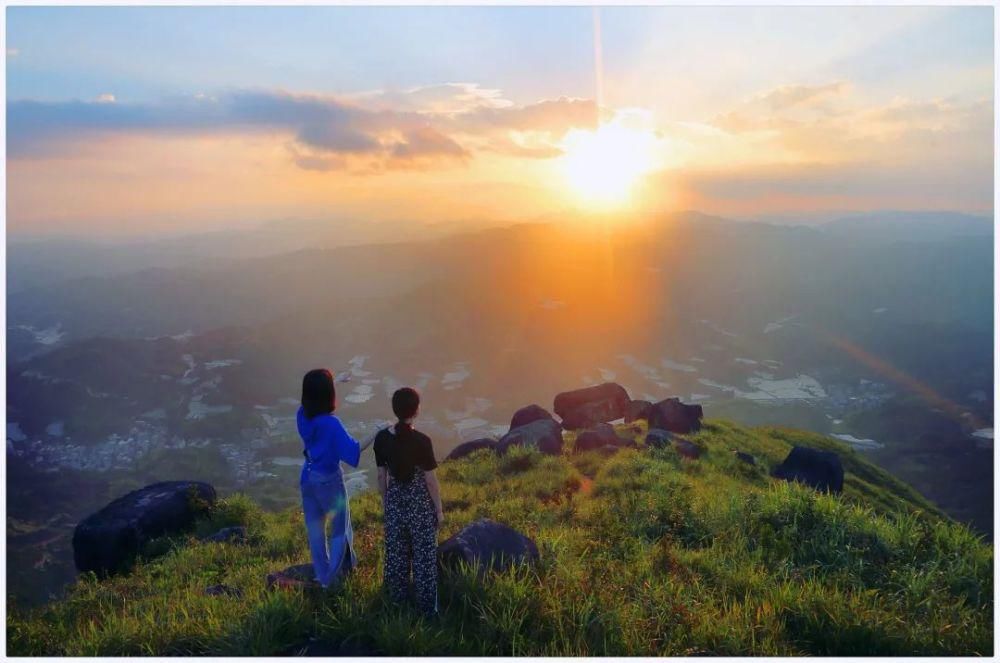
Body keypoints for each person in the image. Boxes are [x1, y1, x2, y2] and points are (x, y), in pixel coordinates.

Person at [374, 387, 444, 615]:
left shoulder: (382, 439)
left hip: (395, 505)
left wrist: (386, 503)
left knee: (396, 558)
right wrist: (439, 510)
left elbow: (381, 476)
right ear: (416, 411)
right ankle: (427, 611)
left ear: (395, 410)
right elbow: (431, 481)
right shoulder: (422, 441)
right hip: (420, 507)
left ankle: (396, 607)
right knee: (424, 562)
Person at [296, 368, 361, 589]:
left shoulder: (302, 415)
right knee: (338, 529)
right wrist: (379, 430)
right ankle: (333, 579)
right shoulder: (332, 424)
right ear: (329, 394)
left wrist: (337, 380)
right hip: (329, 481)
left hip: (307, 478)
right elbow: (353, 453)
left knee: (315, 530)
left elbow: (316, 397)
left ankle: (322, 575)